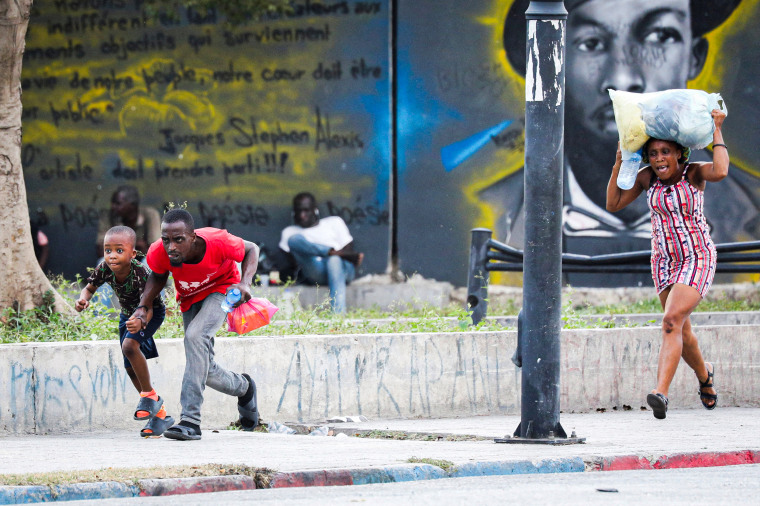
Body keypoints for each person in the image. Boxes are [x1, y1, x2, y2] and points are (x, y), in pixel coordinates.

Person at [485, 0, 759, 286]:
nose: (623, 78)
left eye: (660, 37)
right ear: (554, 61)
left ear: (694, 56)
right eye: (590, 43)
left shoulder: (748, 208)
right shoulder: (494, 213)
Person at [605, 109, 726, 419]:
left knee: (671, 321)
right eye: (653, 153)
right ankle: (705, 376)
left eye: (666, 152)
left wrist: (716, 129)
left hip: (697, 256)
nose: (659, 158)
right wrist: (620, 162)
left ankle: (661, 392)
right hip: (663, 262)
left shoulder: (695, 173)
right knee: (680, 330)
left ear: (679, 154)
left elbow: (722, 170)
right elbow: (613, 203)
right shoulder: (646, 178)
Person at [132, 209, 260, 441]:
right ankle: (244, 388)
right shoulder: (158, 251)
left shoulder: (218, 241)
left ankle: (190, 420)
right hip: (190, 297)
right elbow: (159, 275)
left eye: (178, 240)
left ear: (193, 237)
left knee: (195, 336)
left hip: (223, 289)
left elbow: (252, 248)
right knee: (204, 367)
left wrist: (246, 283)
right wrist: (143, 306)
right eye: (166, 240)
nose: (171, 247)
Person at [75, 226, 174, 437]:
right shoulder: (104, 268)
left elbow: (148, 305)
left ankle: (150, 396)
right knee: (129, 366)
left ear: (132, 254)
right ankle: (160, 416)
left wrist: (141, 322)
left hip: (151, 312)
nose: (112, 256)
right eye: (107, 250)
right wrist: (84, 299)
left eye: (119, 250)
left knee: (130, 346)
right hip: (128, 314)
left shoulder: (140, 273)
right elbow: (90, 287)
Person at [278, 192, 364, 314]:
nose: (302, 216)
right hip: (315, 271)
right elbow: (293, 264)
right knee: (293, 239)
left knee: (334, 260)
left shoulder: (334, 222)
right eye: (298, 212)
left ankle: (338, 314)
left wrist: (333, 256)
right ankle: (330, 252)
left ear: (315, 210)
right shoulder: (290, 231)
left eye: (306, 211)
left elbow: (348, 253)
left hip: (342, 271)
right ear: (293, 213)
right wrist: (329, 252)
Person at [96, 185, 161, 258]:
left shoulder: (150, 215)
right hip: (118, 258)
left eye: (118, 203)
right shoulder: (108, 216)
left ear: (132, 205)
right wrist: (134, 246)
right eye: (112, 203)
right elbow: (101, 251)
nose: (113, 207)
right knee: (103, 262)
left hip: (142, 258)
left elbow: (156, 250)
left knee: (151, 263)